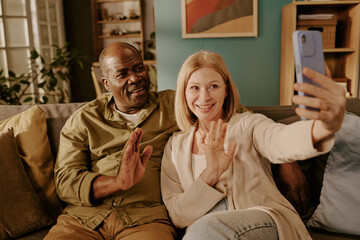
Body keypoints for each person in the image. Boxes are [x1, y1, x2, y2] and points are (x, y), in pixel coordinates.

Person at [160, 50, 346, 240]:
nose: (204, 96)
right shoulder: (175, 147)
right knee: (202, 230)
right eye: (194, 88)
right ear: (183, 93)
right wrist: (210, 174)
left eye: (213, 86)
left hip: (263, 222)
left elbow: (281, 140)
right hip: (206, 233)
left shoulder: (248, 125)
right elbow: (177, 214)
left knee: (204, 230)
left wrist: (322, 127)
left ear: (226, 91)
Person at [44, 42, 179, 239]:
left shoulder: (172, 105)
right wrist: (118, 183)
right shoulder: (84, 119)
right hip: (83, 220)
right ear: (106, 83)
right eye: (122, 74)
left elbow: (230, 109)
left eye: (139, 68)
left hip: (145, 219)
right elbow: (65, 181)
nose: (134, 78)